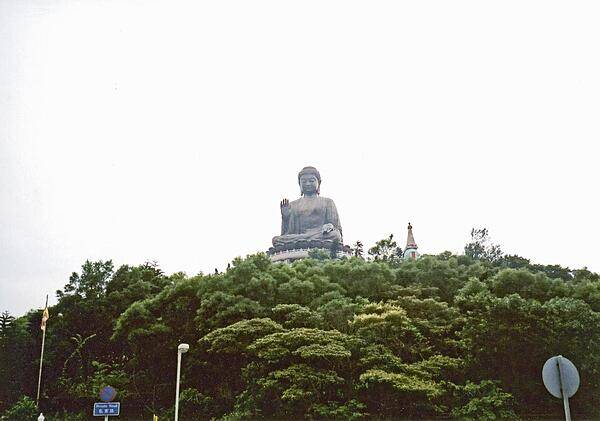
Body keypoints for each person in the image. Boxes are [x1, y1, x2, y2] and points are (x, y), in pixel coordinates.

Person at [272, 166, 342, 248]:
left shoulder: (327, 202)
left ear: (319, 183)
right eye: (304, 181)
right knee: (276, 240)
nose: (307, 184)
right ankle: (306, 240)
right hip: (299, 237)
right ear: (299, 184)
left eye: (311, 181)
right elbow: (287, 233)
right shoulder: (293, 205)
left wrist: (329, 226)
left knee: (335, 235)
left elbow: (335, 227)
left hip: (321, 235)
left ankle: (305, 241)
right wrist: (286, 217)